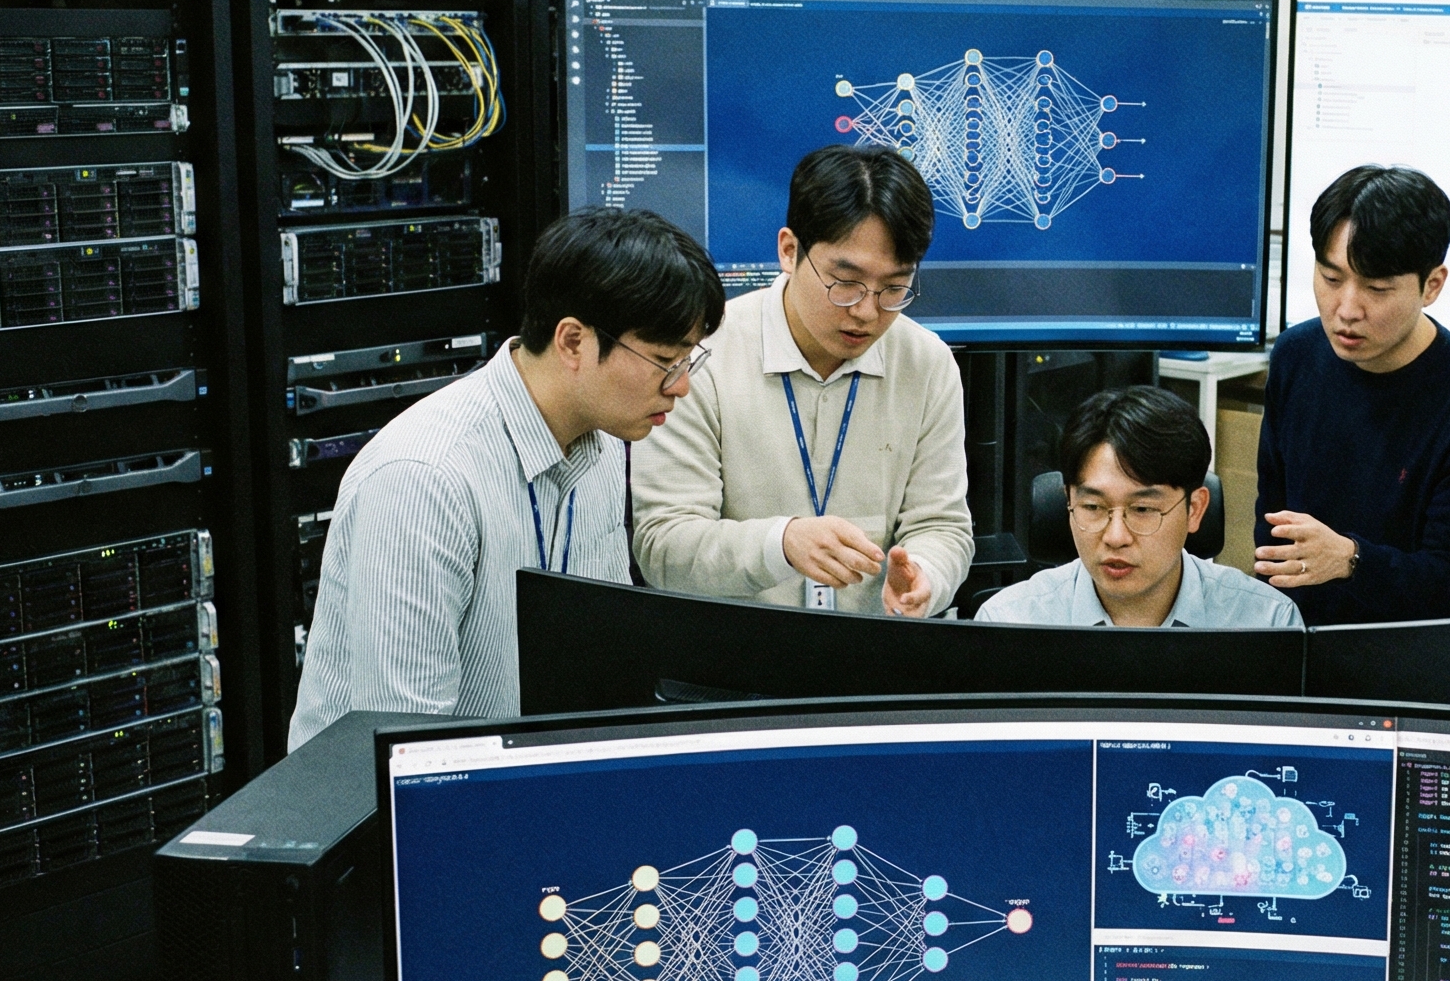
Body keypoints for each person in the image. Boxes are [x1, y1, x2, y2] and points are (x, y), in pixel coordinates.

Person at [287, 210, 725, 748]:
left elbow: (602, 657)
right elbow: (408, 742)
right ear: (572, 342)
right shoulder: (425, 479)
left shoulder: (605, 439)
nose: (681, 388)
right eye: (664, 360)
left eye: (689, 360)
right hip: (401, 808)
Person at [632, 144, 972, 616]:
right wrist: (781, 543)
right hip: (729, 662)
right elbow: (663, 544)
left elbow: (944, 526)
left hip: (876, 657)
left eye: (894, 288)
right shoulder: (704, 354)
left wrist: (926, 576)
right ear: (789, 251)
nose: (867, 311)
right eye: (845, 282)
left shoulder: (927, 364)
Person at [1255, 165, 1450, 625]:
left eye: (1377, 289)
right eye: (1331, 278)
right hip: (1297, 638)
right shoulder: (1296, 356)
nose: (1347, 310)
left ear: (1431, 285)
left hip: (1414, 660)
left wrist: (1351, 560)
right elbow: (1272, 520)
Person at [979, 386, 1302, 630]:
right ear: (1068, 501)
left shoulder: (1265, 622)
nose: (1116, 537)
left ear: (1195, 509)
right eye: (1092, 506)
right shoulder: (1009, 622)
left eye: (1143, 509)